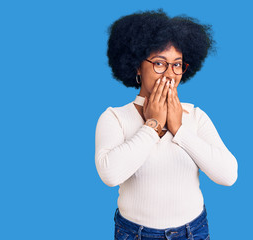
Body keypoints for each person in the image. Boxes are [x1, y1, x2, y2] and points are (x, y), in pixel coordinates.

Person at [95, 9, 238, 240]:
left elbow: (229, 175)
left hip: (193, 232)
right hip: (135, 234)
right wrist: (152, 126)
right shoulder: (114, 118)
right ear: (137, 66)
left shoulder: (195, 116)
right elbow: (110, 176)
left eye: (177, 65)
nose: (170, 74)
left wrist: (179, 129)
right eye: (160, 63)